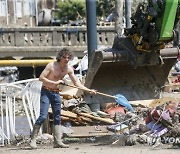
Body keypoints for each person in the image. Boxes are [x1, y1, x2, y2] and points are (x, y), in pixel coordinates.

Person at [29, 48, 96, 149]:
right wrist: (54, 83)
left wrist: (88, 90)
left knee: (57, 117)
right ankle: (33, 140)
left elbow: (77, 83)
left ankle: (57, 141)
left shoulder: (68, 69)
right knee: (43, 116)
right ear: (60, 57)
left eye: (69, 57)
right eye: (65, 57)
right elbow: (41, 78)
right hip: (46, 91)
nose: (67, 59)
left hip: (56, 93)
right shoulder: (51, 66)